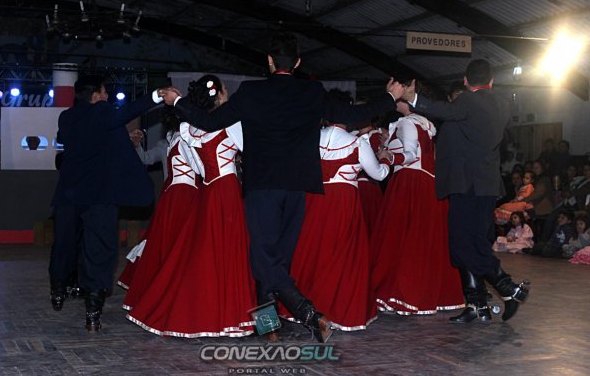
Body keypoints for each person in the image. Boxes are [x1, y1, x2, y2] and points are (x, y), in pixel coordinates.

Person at [160, 32, 405, 342]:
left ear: (270, 61)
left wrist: (177, 101)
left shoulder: (251, 92)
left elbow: (209, 123)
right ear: (298, 62)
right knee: (278, 258)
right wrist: (389, 98)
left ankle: (306, 314)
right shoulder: (311, 92)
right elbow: (351, 114)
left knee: (263, 257)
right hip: (298, 186)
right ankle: (269, 327)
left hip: (263, 185)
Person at [127, 75, 256, 338]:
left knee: (207, 252)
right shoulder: (231, 124)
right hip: (227, 189)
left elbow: (198, 168)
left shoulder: (188, 129)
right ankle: (232, 314)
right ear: (219, 96)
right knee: (231, 250)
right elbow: (253, 154)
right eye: (225, 91)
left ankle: (208, 313)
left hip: (207, 191)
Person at [404, 59, 530, 323]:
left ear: (465, 81)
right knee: (475, 243)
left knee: (461, 246)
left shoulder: (468, 102)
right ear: (491, 81)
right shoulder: (502, 105)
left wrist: (413, 97)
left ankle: (507, 286)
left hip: (467, 185)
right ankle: (480, 303)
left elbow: (443, 110)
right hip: (486, 186)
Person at [49, 74, 170, 332]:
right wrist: (156, 96)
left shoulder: (66, 118)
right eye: (104, 93)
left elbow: (93, 138)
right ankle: (92, 310)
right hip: (98, 195)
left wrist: (121, 140)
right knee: (99, 249)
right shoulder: (101, 112)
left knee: (65, 243)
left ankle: (58, 290)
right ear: (95, 96)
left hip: (68, 193)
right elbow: (124, 113)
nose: (107, 97)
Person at [286, 93, 391, 330]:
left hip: (314, 199)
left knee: (313, 250)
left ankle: (307, 306)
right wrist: (385, 159)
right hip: (343, 202)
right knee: (342, 255)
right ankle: (338, 309)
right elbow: (378, 174)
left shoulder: (310, 137)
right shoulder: (357, 143)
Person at [371, 82, 463, 316]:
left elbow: (410, 155)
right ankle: (423, 293)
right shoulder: (424, 125)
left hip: (410, 183)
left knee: (403, 240)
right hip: (425, 184)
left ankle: (405, 293)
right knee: (421, 241)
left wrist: (388, 156)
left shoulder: (408, 123)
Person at [118, 113, 201, 298]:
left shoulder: (192, 139)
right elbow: (145, 159)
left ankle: (181, 282)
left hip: (190, 196)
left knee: (184, 240)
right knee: (168, 241)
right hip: (173, 197)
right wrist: (137, 145)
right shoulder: (165, 145)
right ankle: (166, 282)